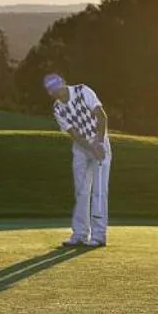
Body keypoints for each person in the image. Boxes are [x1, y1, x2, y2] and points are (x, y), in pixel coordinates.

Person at [44, 72, 110, 249]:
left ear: (64, 82)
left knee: (99, 191)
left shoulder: (83, 91)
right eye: (53, 90)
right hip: (82, 148)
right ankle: (80, 234)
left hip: (100, 141)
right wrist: (90, 148)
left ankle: (99, 236)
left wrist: (99, 142)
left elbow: (101, 116)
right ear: (50, 93)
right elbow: (75, 135)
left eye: (59, 86)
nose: (59, 92)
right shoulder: (58, 109)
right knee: (81, 191)